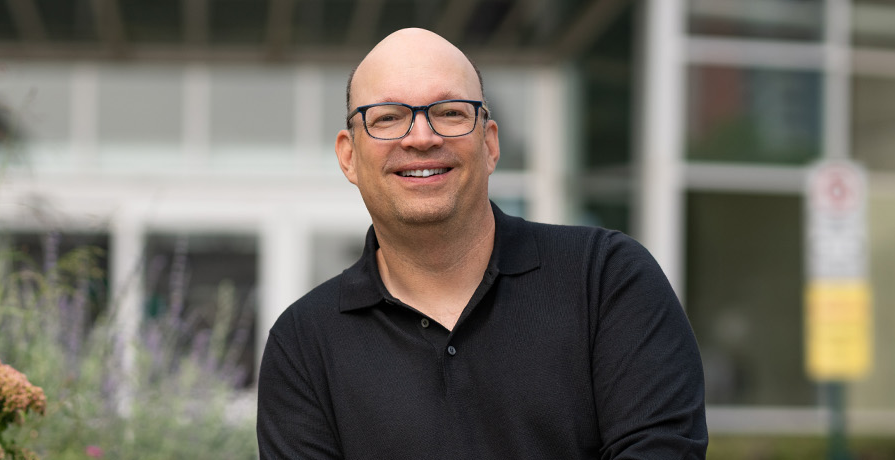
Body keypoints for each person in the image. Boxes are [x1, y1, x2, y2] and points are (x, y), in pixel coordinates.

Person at [256, 28, 707, 459]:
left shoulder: (607, 279)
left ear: (490, 144)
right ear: (349, 156)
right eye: (388, 118)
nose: (421, 137)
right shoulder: (302, 346)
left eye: (450, 112)